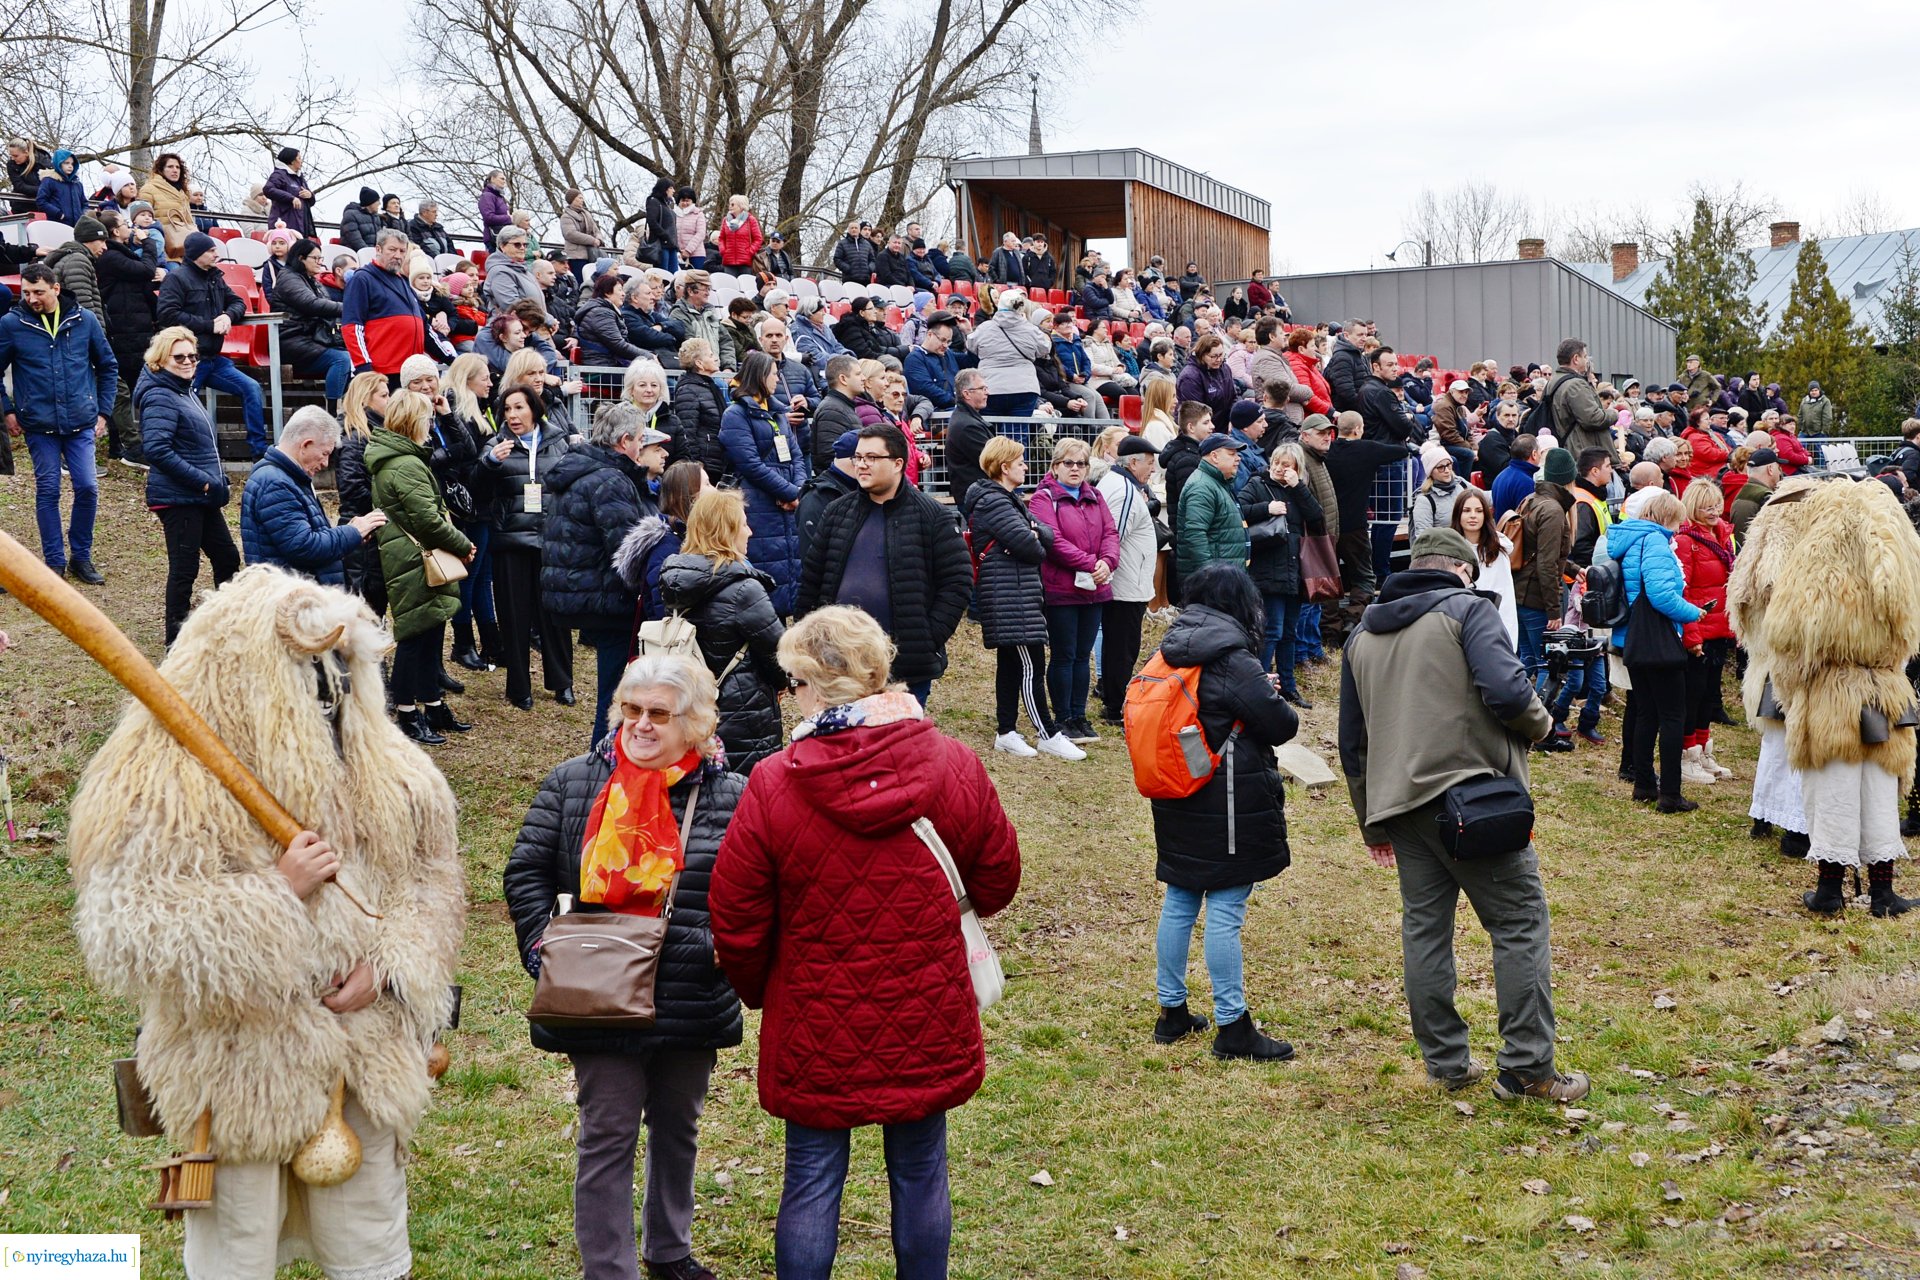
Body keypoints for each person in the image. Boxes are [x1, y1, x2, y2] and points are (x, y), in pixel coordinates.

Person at [69, 566, 464, 1280]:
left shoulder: (393, 768)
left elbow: (432, 884)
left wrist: (387, 968)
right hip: (236, 1065)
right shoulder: (163, 781)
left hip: (363, 1059)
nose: (329, 697)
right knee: (236, 1250)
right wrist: (275, 894)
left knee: (370, 1247)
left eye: (341, 675)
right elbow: (127, 927)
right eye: (308, 680)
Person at [709, 605, 1020, 1280]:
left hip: (815, 1016)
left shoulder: (773, 783)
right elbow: (997, 879)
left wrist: (766, 988)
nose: (790, 695)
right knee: (920, 1170)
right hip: (926, 1009)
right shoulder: (953, 764)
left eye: (794, 682)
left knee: (813, 1180)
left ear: (818, 686)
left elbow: (735, 916)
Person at [504, 650, 742, 1280]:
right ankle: (608, 1271)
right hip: (596, 993)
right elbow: (526, 870)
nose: (641, 725)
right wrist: (542, 948)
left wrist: (716, 948)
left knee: (678, 1128)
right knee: (607, 1135)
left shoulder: (732, 795)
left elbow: (752, 891)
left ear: (694, 725)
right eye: (631, 710)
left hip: (688, 992)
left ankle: (669, 1252)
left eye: (659, 714)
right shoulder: (573, 782)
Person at [1339, 526, 1586, 1102]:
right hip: (1472, 804)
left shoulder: (1360, 636)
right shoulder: (1467, 612)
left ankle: (1447, 1063)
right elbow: (1506, 691)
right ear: (1464, 569)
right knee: (1519, 924)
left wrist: (1371, 822)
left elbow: (1353, 745)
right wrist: (1543, 724)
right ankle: (1528, 1069)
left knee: (1425, 931)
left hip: (1400, 807)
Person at [1145, 562, 1299, 1059]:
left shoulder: (1168, 652)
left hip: (1177, 793)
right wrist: (1268, 691)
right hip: (1227, 801)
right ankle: (1233, 1026)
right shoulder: (1234, 658)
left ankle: (1171, 1013)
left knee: (1181, 899)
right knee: (1226, 910)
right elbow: (1281, 724)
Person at [796, 423, 973, 705]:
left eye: (872, 458)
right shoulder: (837, 512)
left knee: (898, 747)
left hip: (905, 666)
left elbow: (958, 582)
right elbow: (812, 579)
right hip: (840, 664)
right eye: (858, 457)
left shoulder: (932, 516)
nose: (862, 465)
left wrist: (928, 637)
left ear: (898, 463)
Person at [543, 401, 669, 746]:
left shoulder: (589, 469)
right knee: (616, 694)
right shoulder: (610, 480)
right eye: (642, 439)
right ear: (625, 441)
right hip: (606, 598)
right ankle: (604, 759)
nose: (644, 446)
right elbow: (627, 549)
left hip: (584, 591)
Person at [368, 389, 475, 743]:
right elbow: (428, 520)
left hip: (415, 557)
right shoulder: (405, 464)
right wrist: (461, 544)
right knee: (415, 637)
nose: (430, 424)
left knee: (430, 632)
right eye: (427, 418)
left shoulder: (404, 458)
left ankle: (432, 702)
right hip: (413, 559)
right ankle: (407, 713)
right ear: (413, 421)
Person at [656, 490, 789, 773]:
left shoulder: (678, 580)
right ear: (725, 530)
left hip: (691, 704)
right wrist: (782, 683)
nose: (750, 531)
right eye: (743, 523)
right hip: (742, 712)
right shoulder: (744, 589)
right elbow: (780, 653)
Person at [0, 262, 116, 581]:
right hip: (39, 424)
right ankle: (55, 562)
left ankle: (82, 557)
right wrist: (8, 409)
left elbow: (107, 366)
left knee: (88, 487)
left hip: (81, 421)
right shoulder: (12, 324)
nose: (31, 298)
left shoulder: (84, 320)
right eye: (25, 292)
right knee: (48, 489)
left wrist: (103, 411)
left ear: (55, 289)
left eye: (38, 291)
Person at [132, 321, 242, 642]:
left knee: (227, 559)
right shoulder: (160, 396)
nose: (188, 362)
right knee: (184, 570)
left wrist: (213, 482)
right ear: (159, 361)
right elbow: (156, 449)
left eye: (192, 356)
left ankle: (225, 628)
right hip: (180, 498)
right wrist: (205, 483)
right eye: (178, 357)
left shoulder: (184, 391)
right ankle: (175, 643)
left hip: (199, 497)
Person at [1606, 490, 1705, 813]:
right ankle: (1671, 793)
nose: (1679, 527)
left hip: (1632, 637)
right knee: (1672, 716)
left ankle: (1644, 782)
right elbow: (1662, 595)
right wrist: (1693, 612)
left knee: (1646, 712)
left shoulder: (1631, 541)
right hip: (1658, 640)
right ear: (1667, 517)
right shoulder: (1657, 545)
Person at [482, 384, 576, 710]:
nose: (513, 415)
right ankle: (519, 687)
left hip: (550, 540)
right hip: (511, 541)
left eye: (519, 408)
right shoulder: (496, 446)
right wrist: (489, 464)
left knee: (554, 615)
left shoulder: (558, 441)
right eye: (507, 409)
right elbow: (478, 492)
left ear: (533, 409)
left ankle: (562, 681)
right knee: (514, 615)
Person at [1029, 437, 1121, 745]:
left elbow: (1110, 532)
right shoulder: (1044, 498)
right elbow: (1051, 540)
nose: (1075, 469)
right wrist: (1090, 563)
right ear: (1055, 466)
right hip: (1062, 588)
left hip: (1095, 587)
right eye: (1068, 463)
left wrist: (1107, 562)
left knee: (1084, 656)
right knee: (1065, 654)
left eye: (1081, 463)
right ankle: (1063, 716)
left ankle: (1080, 715)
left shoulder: (1094, 495)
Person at [156, 231, 268, 458]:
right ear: (198, 254)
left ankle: (259, 452)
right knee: (191, 409)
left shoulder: (215, 276)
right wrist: (208, 325)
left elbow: (237, 302)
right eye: (211, 250)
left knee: (252, 388)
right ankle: (196, 456)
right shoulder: (176, 278)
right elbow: (167, 315)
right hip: (187, 360)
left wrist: (228, 316)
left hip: (213, 359)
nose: (217, 254)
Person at [242, 405, 384, 583]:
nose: (325, 463)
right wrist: (352, 532)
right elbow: (304, 547)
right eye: (325, 454)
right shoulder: (276, 483)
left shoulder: (289, 477)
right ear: (306, 445)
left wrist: (349, 534)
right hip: (292, 600)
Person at [718, 350, 810, 615]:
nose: (778, 380)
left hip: (787, 505)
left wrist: (798, 491)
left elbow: (797, 457)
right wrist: (789, 491)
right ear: (759, 376)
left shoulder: (779, 413)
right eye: (773, 374)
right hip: (759, 505)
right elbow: (750, 464)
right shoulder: (735, 414)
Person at [1240, 440, 1322, 707]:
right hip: (1267, 571)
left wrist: (1298, 486)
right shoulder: (1257, 485)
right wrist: (1266, 509)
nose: (1279, 468)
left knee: (1289, 632)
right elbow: (1238, 511)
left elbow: (1316, 517)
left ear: (1297, 468)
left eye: (1286, 465)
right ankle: (1261, 686)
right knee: (1272, 631)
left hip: (1294, 572)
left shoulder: (1300, 491)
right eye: (1276, 462)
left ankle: (1288, 686)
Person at [1674, 478, 1737, 786]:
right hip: (1699, 628)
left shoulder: (1723, 536)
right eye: (1706, 506)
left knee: (1709, 697)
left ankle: (1703, 751)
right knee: (1692, 696)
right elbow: (1682, 592)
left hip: (1719, 628)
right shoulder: (1687, 541)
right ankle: (1688, 755)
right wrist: (1692, 635)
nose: (1714, 511)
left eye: (1717, 505)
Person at [1097, 434, 1160, 721]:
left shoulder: (1119, 483)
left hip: (1125, 580)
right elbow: (1114, 538)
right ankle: (1116, 705)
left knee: (1118, 646)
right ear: (1133, 462)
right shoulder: (1123, 489)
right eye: (1150, 463)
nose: (1153, 469)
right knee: (1122, 648)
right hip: (1124, 583)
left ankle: (1113, 698)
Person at [1514, 448, 1576, 686]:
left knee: (1526, 659)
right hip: (1536, 599)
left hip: (1519, 592)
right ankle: (1541, 720)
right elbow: (1546, 562)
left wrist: (1572, 569)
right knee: (1546, 665)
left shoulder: (1532, 500)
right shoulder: (1553, 510)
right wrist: (1553, 610)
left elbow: (1537, 549)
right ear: (1569, 478)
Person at [970, 289, 1051, 421]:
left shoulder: (984, 328)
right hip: (1024, 387)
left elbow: (971, 345)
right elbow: (1044, 349)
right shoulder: (1030, 329)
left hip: (992, 387)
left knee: (992, 433)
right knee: (1018, 433)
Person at [1451, 487, 1517, 647]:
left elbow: (1506, 597)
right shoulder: (1449, 549)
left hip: (1492, 633)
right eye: (1466, 510)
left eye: (1478, 510)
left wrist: (1507, 640)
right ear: (1458, 514)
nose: (1473, 515)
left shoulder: (1497, 550)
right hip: (1458, 632)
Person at [668, 336, 730, 484]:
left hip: (716, 461)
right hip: (705, 466)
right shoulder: (688, 389)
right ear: (699, 363)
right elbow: (687, 432)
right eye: (710, 355)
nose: (715, 358)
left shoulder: (709, 386)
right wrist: (697, 465)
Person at [137, 152, 194, 259]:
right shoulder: (149, 189)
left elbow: (189, 221)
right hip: (161, 249)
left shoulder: (183, 193)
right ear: (161, 169)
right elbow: (142, 219)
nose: (175, 170)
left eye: (177, 167)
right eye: (170, 166)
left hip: (184, 249)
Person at [1408, 445, 1471, 539]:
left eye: (1449, 465)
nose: (1447, 471)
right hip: (1443, 551)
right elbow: (1423, 540)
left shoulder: (1460, 483)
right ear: (1430, 472)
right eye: (1441, 467)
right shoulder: (1424, 500)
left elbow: (1486, 497)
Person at [1729, 447, 1781, 542]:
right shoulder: (1766, 498)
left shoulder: (1744, 492)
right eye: (1778, 468)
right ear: (1770, 469)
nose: (1780, 473)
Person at [675, 188, 710, 270]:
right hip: (678, 254)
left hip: (696, 254)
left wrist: (688, 250)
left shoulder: (698, 214)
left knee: (695, 279)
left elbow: (701, 233)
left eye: (687, 201)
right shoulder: (673, 214)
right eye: (683, 200)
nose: (685, 203)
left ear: (692, 201)